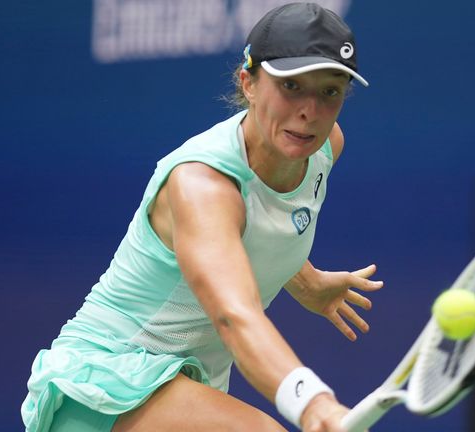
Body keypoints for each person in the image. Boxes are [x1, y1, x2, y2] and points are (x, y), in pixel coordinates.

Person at [21, 3, 380, 431]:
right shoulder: (202, 184)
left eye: (330, 91)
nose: (310, 111)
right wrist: (314, 403)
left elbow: (253, 232)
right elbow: (234, 313)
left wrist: (305, 281)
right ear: (248, 82)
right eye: (291, 86)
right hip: (106, 385)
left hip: (183, 390)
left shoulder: (323, 148)